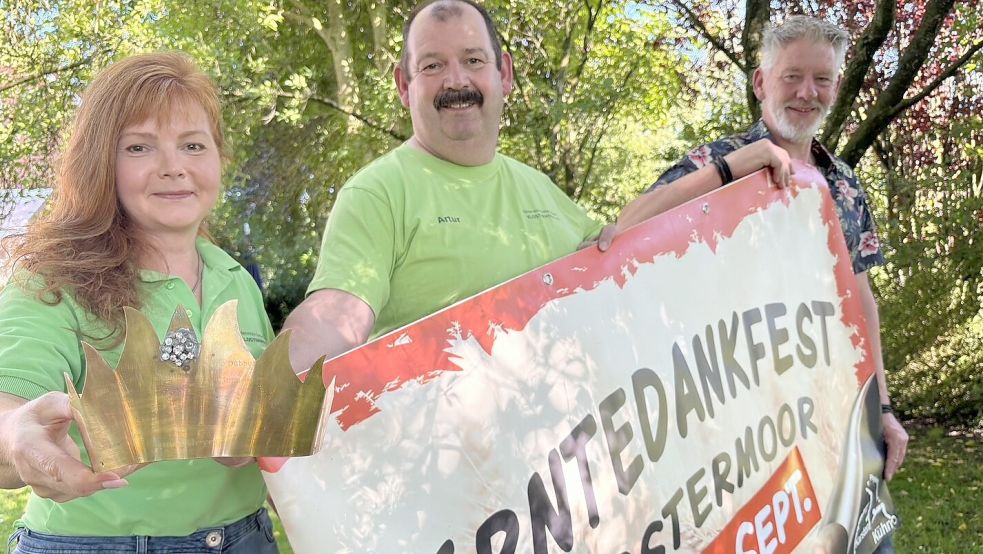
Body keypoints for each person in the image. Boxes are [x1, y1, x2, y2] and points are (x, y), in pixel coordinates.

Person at [611, 15, 907, 551]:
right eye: (792, 75)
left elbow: (860, 300)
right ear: (760, 82)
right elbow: (624, 228)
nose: (806, 92)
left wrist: (883, 408)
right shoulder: (718, 163)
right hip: (747, 438)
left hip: (838, 424)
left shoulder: (842, 184)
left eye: (822, 79)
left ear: (837, 86)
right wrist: (732, 170)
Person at [0, 53, 278, 553]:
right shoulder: (53, 278)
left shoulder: (238, 281)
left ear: (219, 158)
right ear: (101, 163)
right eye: (139, 147)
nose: (173, 167)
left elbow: (266, 424)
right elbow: (9, 412)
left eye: (193, 144)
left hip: (244, 538)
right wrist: (19, 436)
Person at [283, 0, 602, 368]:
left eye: (473, 60)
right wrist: (276, 390)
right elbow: (335, 317)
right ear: (404, 85)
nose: (456, 81)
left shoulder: (541, 188)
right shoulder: (377, 195)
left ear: (505, 73)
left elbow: (618, 258)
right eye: (432, 65)